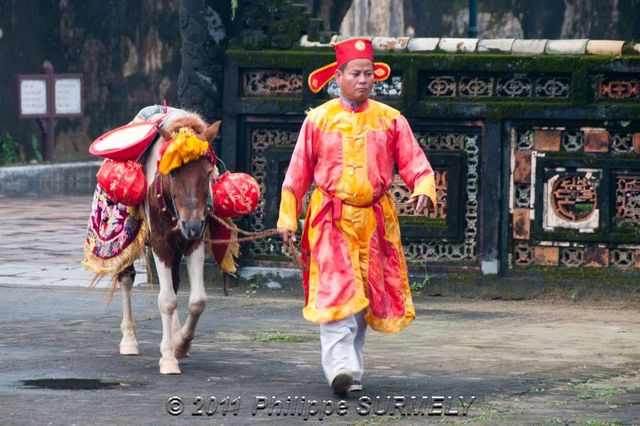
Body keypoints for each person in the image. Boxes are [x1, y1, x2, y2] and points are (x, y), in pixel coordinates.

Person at [277, 37, 436, 396]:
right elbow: (297, 175)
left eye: (368, 74)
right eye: (356, 73)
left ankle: (352, 368)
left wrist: (424, 188)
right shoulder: (318, 120)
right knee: (336, 291)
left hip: (375, 219)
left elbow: (415, 162)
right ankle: (339, 367)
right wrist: (288, 217)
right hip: (330, 218)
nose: (363, 80)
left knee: (362, 297)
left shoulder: (390, 120)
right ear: (339, 77)